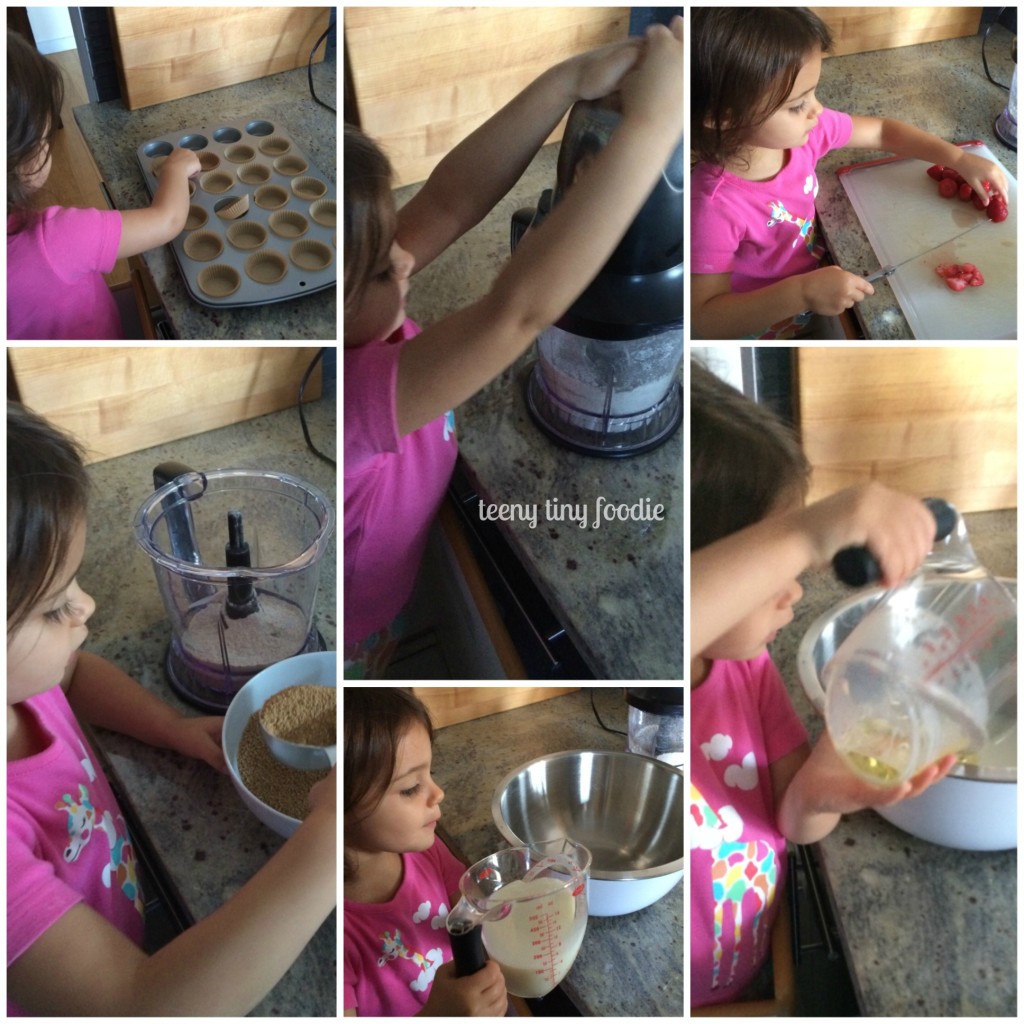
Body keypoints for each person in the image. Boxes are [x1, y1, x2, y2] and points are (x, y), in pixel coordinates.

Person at [344, 19, 684, 676]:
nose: (405, 259)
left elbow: (447, 202)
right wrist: (651, 128)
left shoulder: (357, 299)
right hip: (359, 630)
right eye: (384, 269)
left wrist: (568, 81)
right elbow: (518, 312)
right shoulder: (356, 396)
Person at [6, 402, 335, 1015]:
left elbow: (71, 675)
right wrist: (328, 837)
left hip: (115, 915)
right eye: (54, 606)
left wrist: (170, 726)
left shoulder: (25, 682)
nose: (88, 607)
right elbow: (138, 1003)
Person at [688, 362, 957, 1007]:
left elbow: (793, 816)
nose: (794, 588)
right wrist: (809, 534)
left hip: (751, 975)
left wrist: (827, 790)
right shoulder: (639, 692)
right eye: (769, 563)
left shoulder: (748, 670)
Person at [690, 8, 1011, 339]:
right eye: (796, 105)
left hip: (810, 290)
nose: (817, 109)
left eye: (813, 92)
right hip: (762, 326)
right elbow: (706, 319)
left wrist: (958, 157)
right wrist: (800, 293)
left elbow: (883, 131)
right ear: (724, 118)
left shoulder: (804, 133)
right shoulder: (711, 207)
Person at [7, 30, 201, 339]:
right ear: (23, 162)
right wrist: (175, 171)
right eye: (44, 139)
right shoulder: (56, 240)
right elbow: (168, 220)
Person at [344, 688, 506, 1016]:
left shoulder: (424, 852)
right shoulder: (338, 934)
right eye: (410, 788)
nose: (438, 793)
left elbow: (473, 900)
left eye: (429, 774)